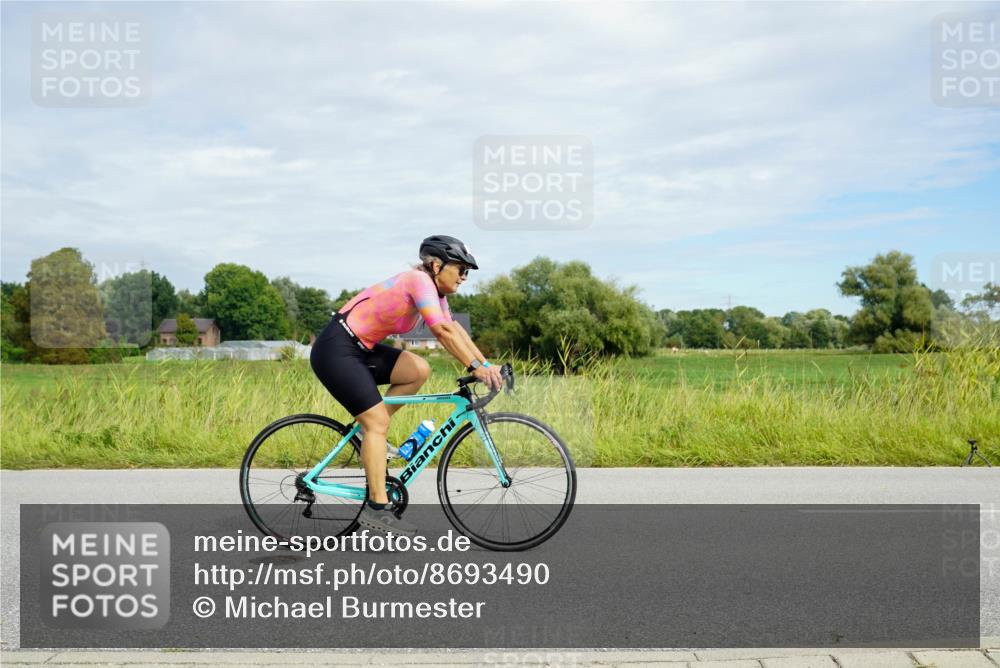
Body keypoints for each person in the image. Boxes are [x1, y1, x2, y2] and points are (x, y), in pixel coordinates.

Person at [310, 235, 504, 536]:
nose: (465, 277)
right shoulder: (418, 280)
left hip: (362, 349)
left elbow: (454, 330)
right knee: (377, 424)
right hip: (336, 349)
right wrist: (476, 368)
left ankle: (369, 437)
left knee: (418, 369)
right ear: (436, 265)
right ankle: (376, 508)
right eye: (461, 269)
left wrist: (487, 366)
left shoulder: (437, 293)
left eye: (468, 271)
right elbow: (440, 331)